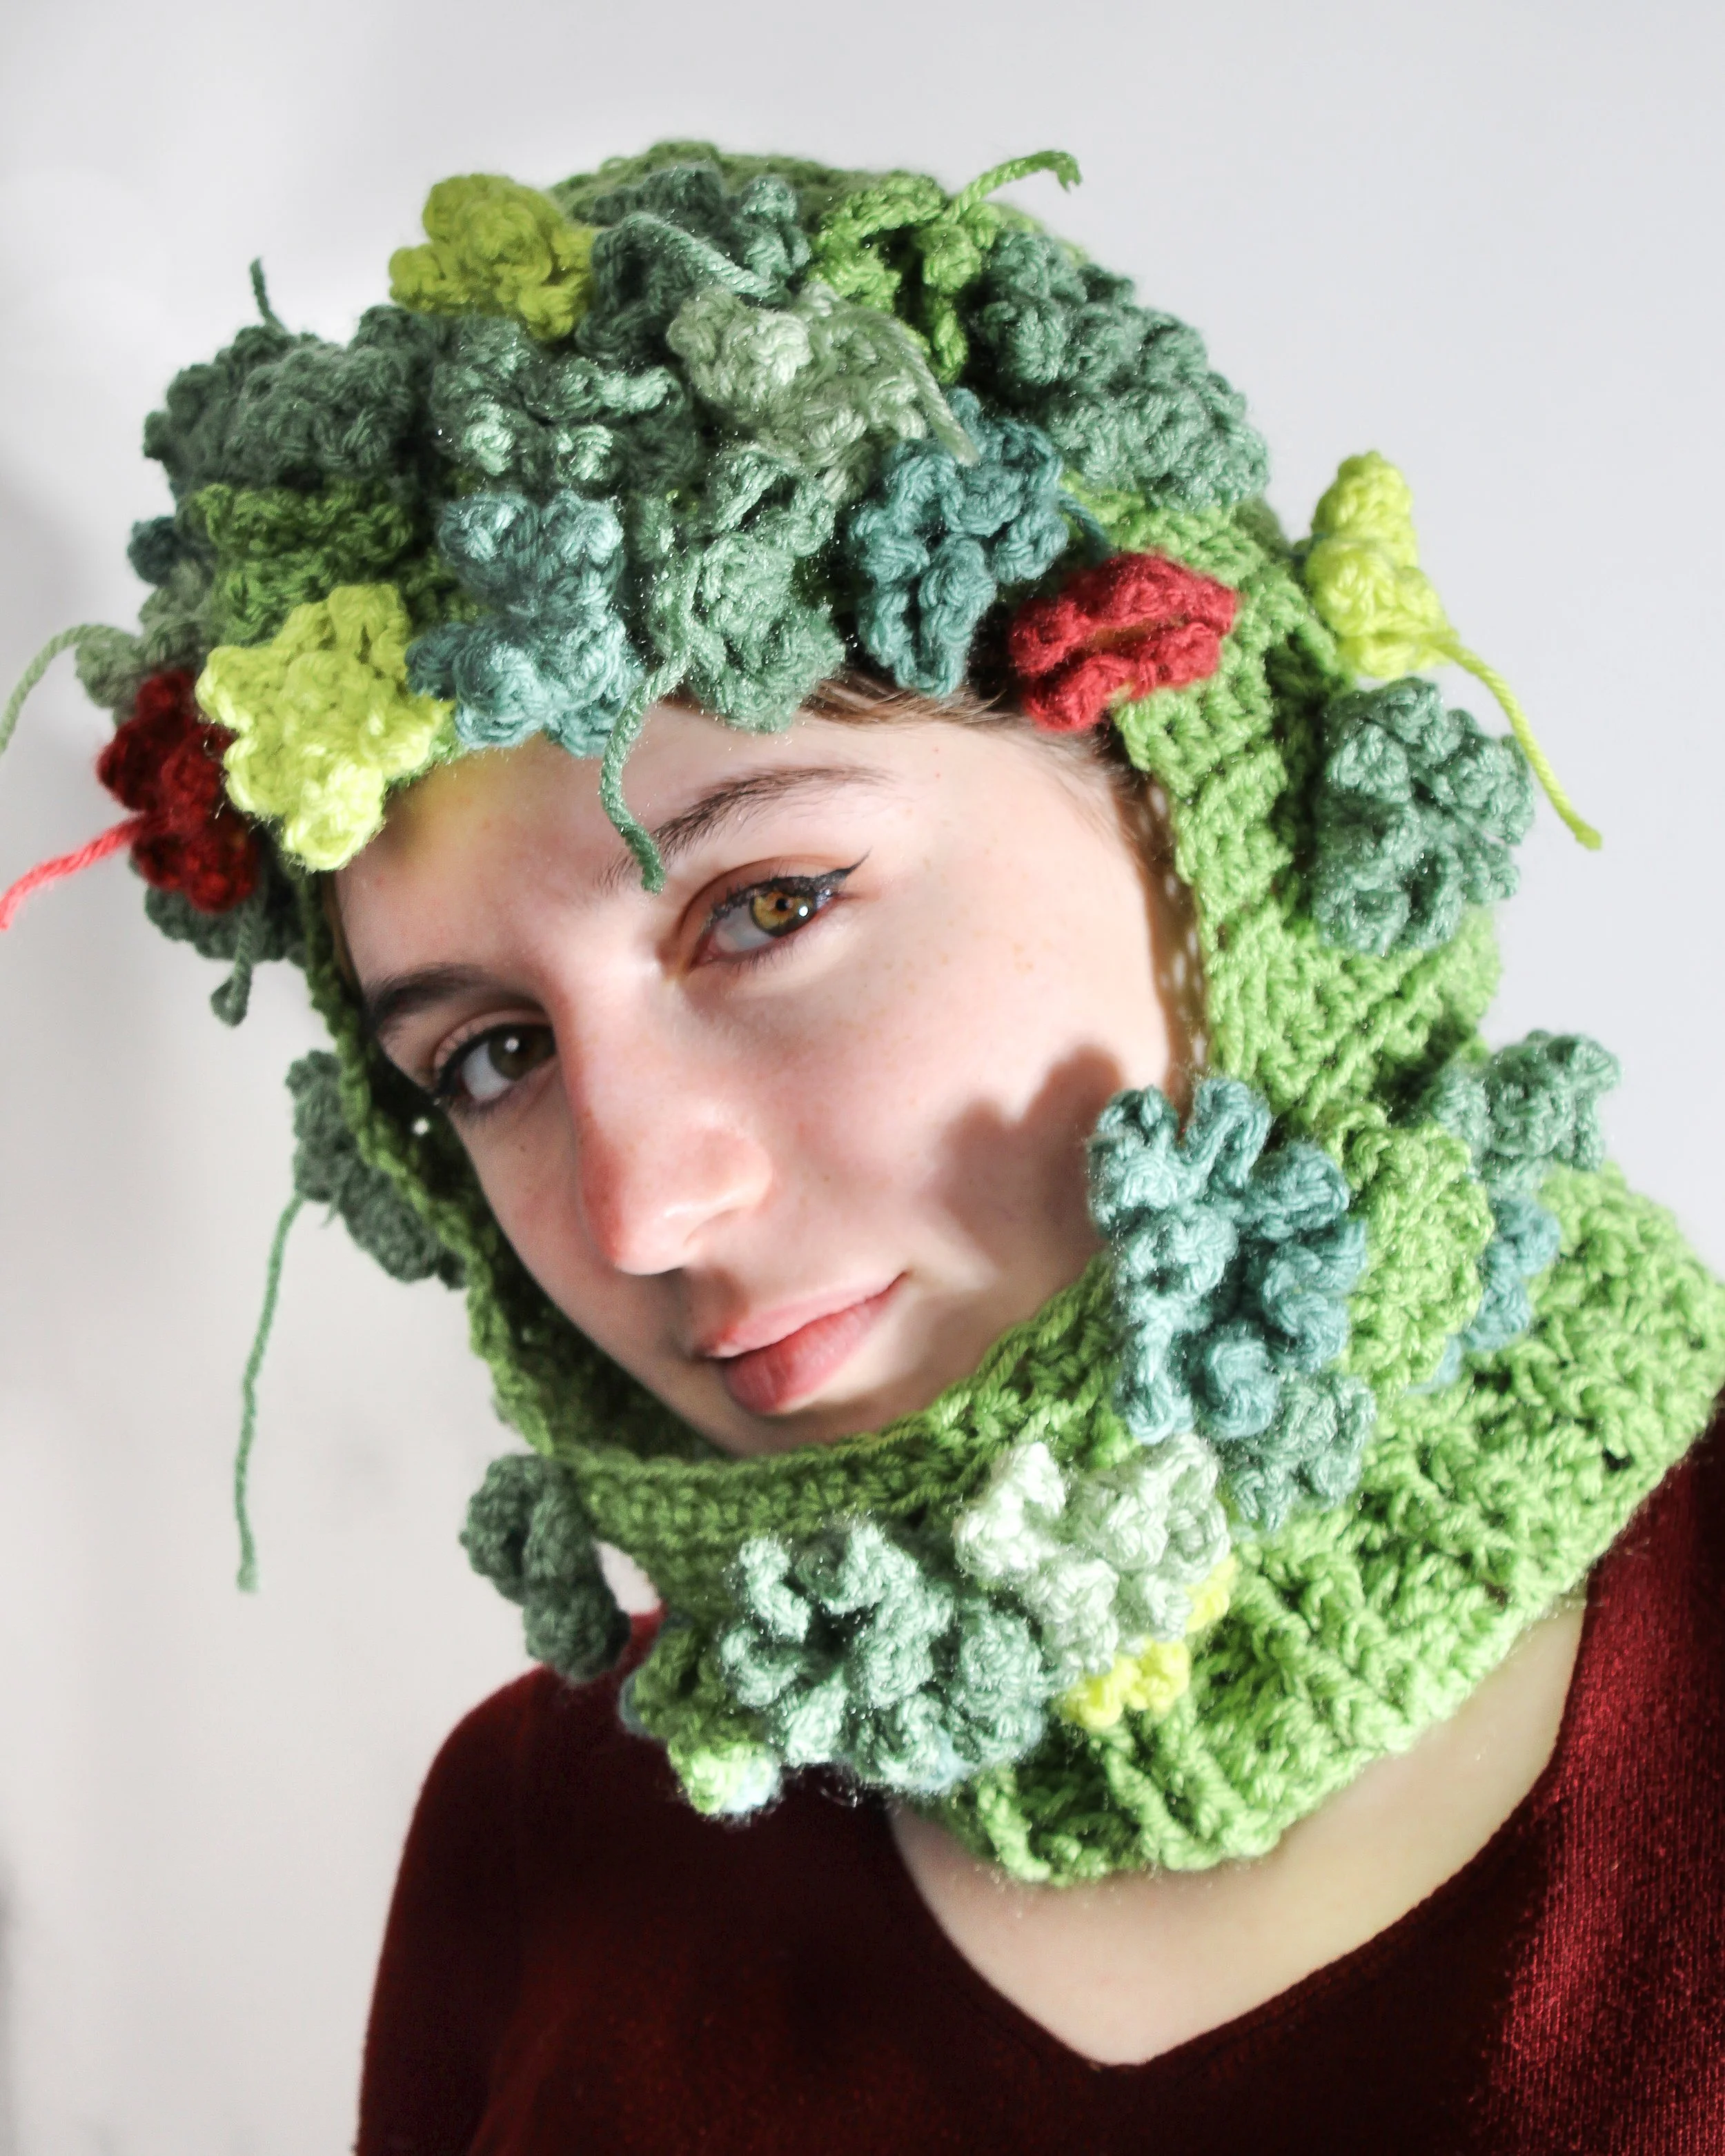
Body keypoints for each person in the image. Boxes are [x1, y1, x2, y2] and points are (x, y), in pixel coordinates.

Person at [3, 141, 1721, 2152]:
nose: (643, 1200)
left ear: (1197, 805)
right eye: (486, 1055)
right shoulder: (544, 1843)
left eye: (765, 906)